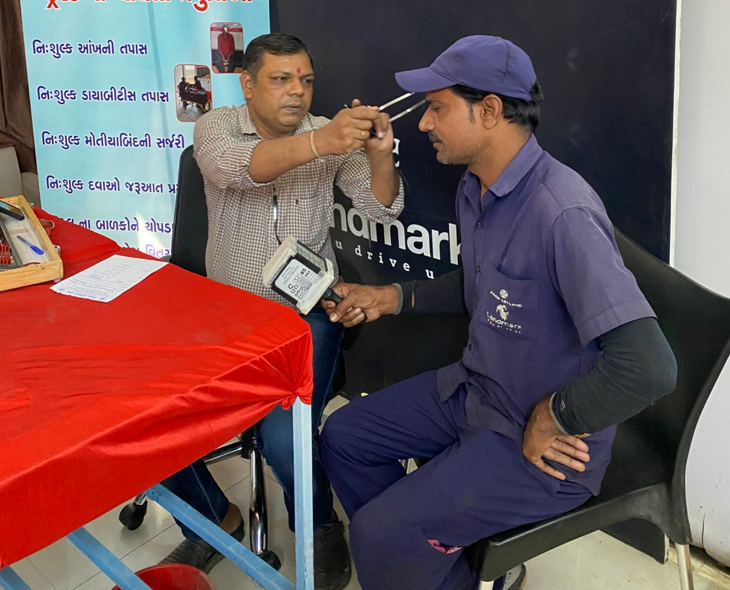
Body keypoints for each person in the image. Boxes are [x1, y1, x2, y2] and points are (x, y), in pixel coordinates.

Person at [319, 35, 677, 590]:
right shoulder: (476, 188)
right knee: (344, 437)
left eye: (436, 108)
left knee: (378, 535)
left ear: (488, 111)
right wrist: (390, 297)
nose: (424, 124)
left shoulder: (561, 212)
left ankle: (407, 546)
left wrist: (555, 416)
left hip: (542, 444)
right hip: (477, 390)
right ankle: (437, 561)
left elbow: (650, 365)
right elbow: (482, 282)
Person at [160, 33, 404, 590]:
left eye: (306, 81)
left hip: (306, 313)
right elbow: (241, 169)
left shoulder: (326, 133)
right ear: (247, 84)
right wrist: (322, 142)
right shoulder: (216, 127)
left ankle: (318, 524)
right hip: (225, 314)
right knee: (153, 410)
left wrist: (378, 155)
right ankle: (211, 519)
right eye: (281, 79)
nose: (297, 91)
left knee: (282, 436)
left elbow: (383, 210)